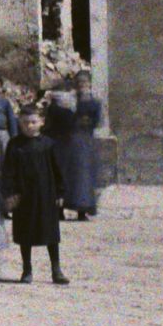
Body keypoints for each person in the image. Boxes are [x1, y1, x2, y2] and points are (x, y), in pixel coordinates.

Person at [1, 105, 69, 283]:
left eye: (33, 122)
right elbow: (8, 171)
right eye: (25, 123)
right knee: (26, 233)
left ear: (41, 122)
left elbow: (57, 170)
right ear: (19, 123)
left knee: (51, 233)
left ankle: (56, 270)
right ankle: (27, 270)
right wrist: (9, 194)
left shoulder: (48, 144)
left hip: (46, 194)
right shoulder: (14, 145)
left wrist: (60, 192)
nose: (29, 126)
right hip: (23, 197)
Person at [45, 68, 103, 220]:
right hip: (65, 142)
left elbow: (97, 121)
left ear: (90, 84)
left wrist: (84, 123)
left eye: (85, 82)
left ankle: (82, 211)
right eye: (79, 82)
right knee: (64, 175)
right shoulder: (67, 100)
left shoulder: (94, 102)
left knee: (82, 177)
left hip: (84, 143)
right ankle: (60, 210)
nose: (82, 85)